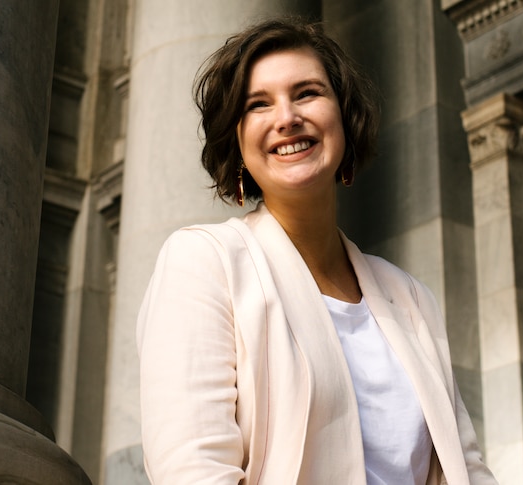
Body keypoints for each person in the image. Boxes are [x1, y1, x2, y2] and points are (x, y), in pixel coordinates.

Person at [136, 17, 498, 485]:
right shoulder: (206, 263)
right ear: (237, 143)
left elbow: (466, 469)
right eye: (258, 104)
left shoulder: (409, 297)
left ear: (344, 119)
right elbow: (193, 471)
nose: (287, 117)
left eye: (307, 93)